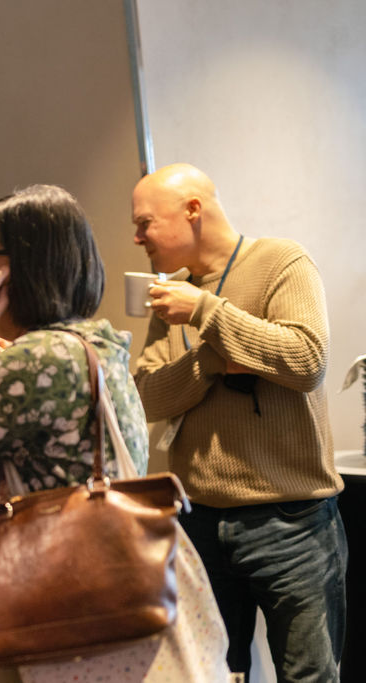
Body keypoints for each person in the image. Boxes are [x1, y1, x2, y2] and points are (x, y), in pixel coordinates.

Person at [0, 184, 231, 682]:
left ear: (18, 267)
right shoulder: (96, 346)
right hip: (93, 608)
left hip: (22, 616)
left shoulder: (41, 360)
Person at [131, 163, 346, 682]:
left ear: (193, 211)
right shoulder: (172, 296)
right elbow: (150, 396)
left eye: (144, 223)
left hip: (291, 522)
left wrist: (207, 310)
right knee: (207, 674)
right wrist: (214, 359)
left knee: (309, 675)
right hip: (199, 520)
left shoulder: (281, 261)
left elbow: (306, 361)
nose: (135, 237)